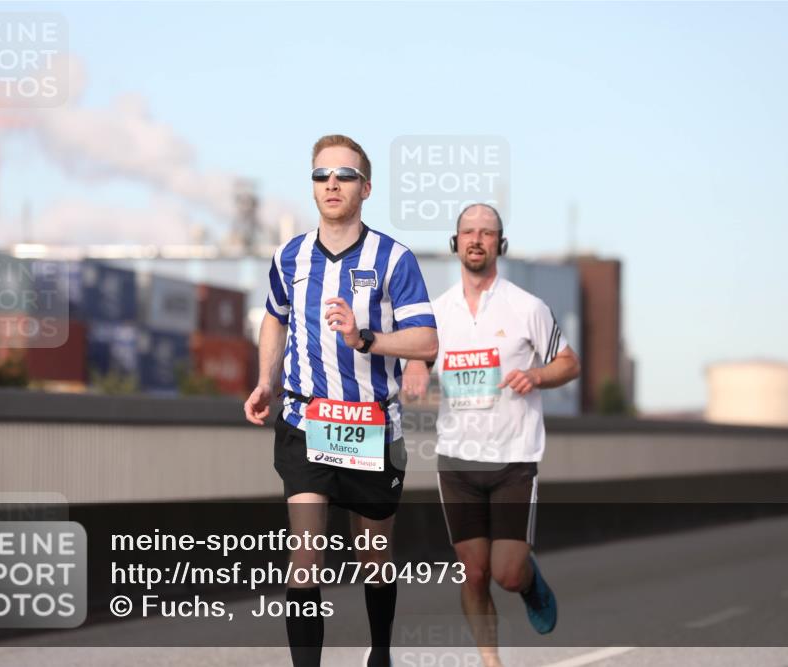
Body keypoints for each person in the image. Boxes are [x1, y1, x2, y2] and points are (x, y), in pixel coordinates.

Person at [244, 134, 438, 667]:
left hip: (370, 426)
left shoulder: (393, 258)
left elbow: (426, 341)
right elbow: (274, 317)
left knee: (374, 554)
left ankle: (381, 653)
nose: (332, 184)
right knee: (304, 556)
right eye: (321, 175)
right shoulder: (290, 256)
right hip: (305, 419)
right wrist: (265, 381)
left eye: (345, 175)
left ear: (365, 188)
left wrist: (365, 338)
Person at [401, 203, 580, 667]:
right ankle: (490, 661)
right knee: (475, 573)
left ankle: (528, 580)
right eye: (468, 232)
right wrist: (416, 368)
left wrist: (536, 376)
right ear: (455, 242)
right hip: (457, 460)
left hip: (513, 458)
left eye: (486, 232)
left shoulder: (526, 307)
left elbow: (568, 363)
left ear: (500, 244)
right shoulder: (436, 312)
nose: (476, 239)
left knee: (506, 573)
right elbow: (416, 357)